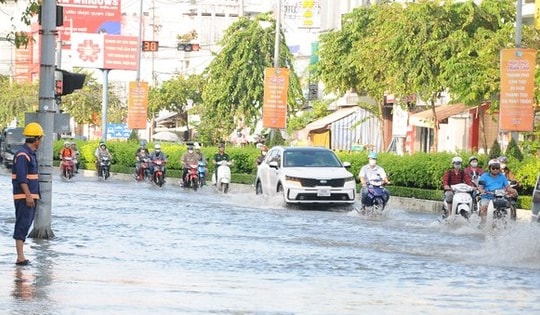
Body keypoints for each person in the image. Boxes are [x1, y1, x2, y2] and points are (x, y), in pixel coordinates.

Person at [12, 122, 44, 266]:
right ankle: (20, 257)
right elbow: (21, 177)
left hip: (29, 196)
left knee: (25, 224)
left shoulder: (29, 154)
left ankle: (21, 256)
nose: (41, 142)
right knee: (22, 224)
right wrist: (29, 195)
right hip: (24, 197)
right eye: (41, 139)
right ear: (36, 139)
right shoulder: (23, 155)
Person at [477, 159, 517, 226]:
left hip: (500, 197)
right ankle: (483, 224)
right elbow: (480, 187)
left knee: (511, 208)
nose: (495, 169)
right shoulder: (484, 176)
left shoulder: (502, 177)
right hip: (487, 197)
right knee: (483, 208)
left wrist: (513, 190)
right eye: (493, 168)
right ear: (490, 168)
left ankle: (510, 225)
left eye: (497, 168)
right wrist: (482, 191)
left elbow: (507, 187)